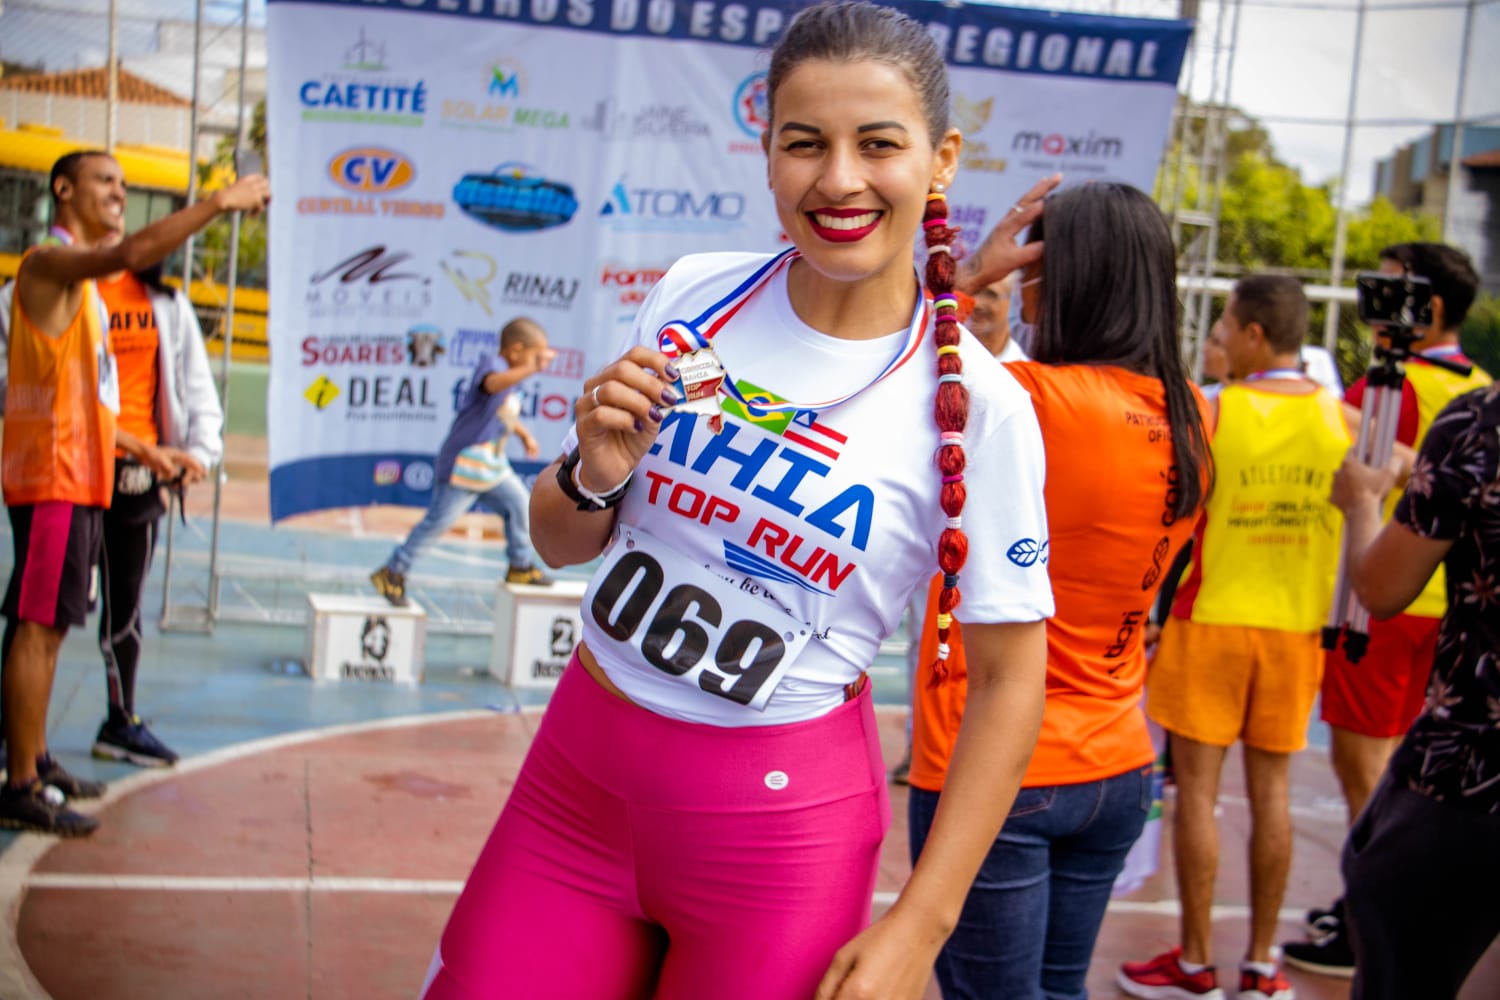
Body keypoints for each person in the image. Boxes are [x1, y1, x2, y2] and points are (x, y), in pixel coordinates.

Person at [417, 4, 1054, 998]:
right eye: (804, 144)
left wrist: (922, 923)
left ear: (940, 160)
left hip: (777, 837)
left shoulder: (983, 405)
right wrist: (593, 470)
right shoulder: (693, 295)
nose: (838, 179)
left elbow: (1011, 681)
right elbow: (560, 541)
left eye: (877, 144)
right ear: (767, 155)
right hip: (574, 785)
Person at [906, 181, 1213, 999]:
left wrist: (973, 272)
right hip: (1117, 762)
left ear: (1059, 275)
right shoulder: (1194, 415)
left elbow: (886, 351)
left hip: (994, 764)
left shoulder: (1033, 401)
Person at [0, 150, 267, 836]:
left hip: (81, 476)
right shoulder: (47, 265)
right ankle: (19, 782)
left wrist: (149, 450)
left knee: (53, 628)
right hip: (52, 477)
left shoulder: (86, 294)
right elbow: (130, 251)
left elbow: (85, 399)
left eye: (124, 184)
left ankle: (35, 758)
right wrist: (218, 202)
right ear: (63, 189)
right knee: (36, 628)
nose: (119, 192)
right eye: (105, 181)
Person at [1120, 275, 1351, 1000]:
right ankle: (1261, 966)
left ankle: (1195, 964)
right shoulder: (1344, 420)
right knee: (1272, 795)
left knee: (1198, 795)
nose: (1218, 335)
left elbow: (1170, 511)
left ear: (1255, 333)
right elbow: (1396, 474)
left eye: (1225, 323)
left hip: (1212, 619)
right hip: (1295, 629)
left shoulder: (1216, 410)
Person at [1285, 242, 1492, 977]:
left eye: (1390, 289)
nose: (1373, 301)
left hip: (1389, 600)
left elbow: (1366, 477)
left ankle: (1363, 913)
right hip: (1449, 612)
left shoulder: (1431, 401)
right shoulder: (1478, 386)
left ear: (1427, 307)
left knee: (1363, 765)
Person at [1325, 387, 1500, 999]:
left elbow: (1380, 587)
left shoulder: (1480, 425)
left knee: (1405, 962)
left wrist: (1362, 502)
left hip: (1469, 775)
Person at [84, 244, 223, 768]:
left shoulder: (163, 301)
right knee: (43, 616)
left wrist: (200, 453)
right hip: (71, 467)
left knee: (124, 607)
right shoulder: (61, 285)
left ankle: (120, 721)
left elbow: (196, 386)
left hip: (137, 476)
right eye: (109, 202)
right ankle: (18, 741)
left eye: (123, 206)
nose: (117, 210)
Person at [370, 318, 555, 606]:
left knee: (520, 504)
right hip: (465, 463)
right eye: (533, 356)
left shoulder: (511, 377)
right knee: (438, 522)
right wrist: (533, 369)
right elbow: (492, 385)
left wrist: (524, 435)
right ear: (516, 350)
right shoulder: (493, 365)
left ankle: (520, 565)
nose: (535, 363)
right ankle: (394, 570)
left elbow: (504, 413)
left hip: (489, 465)